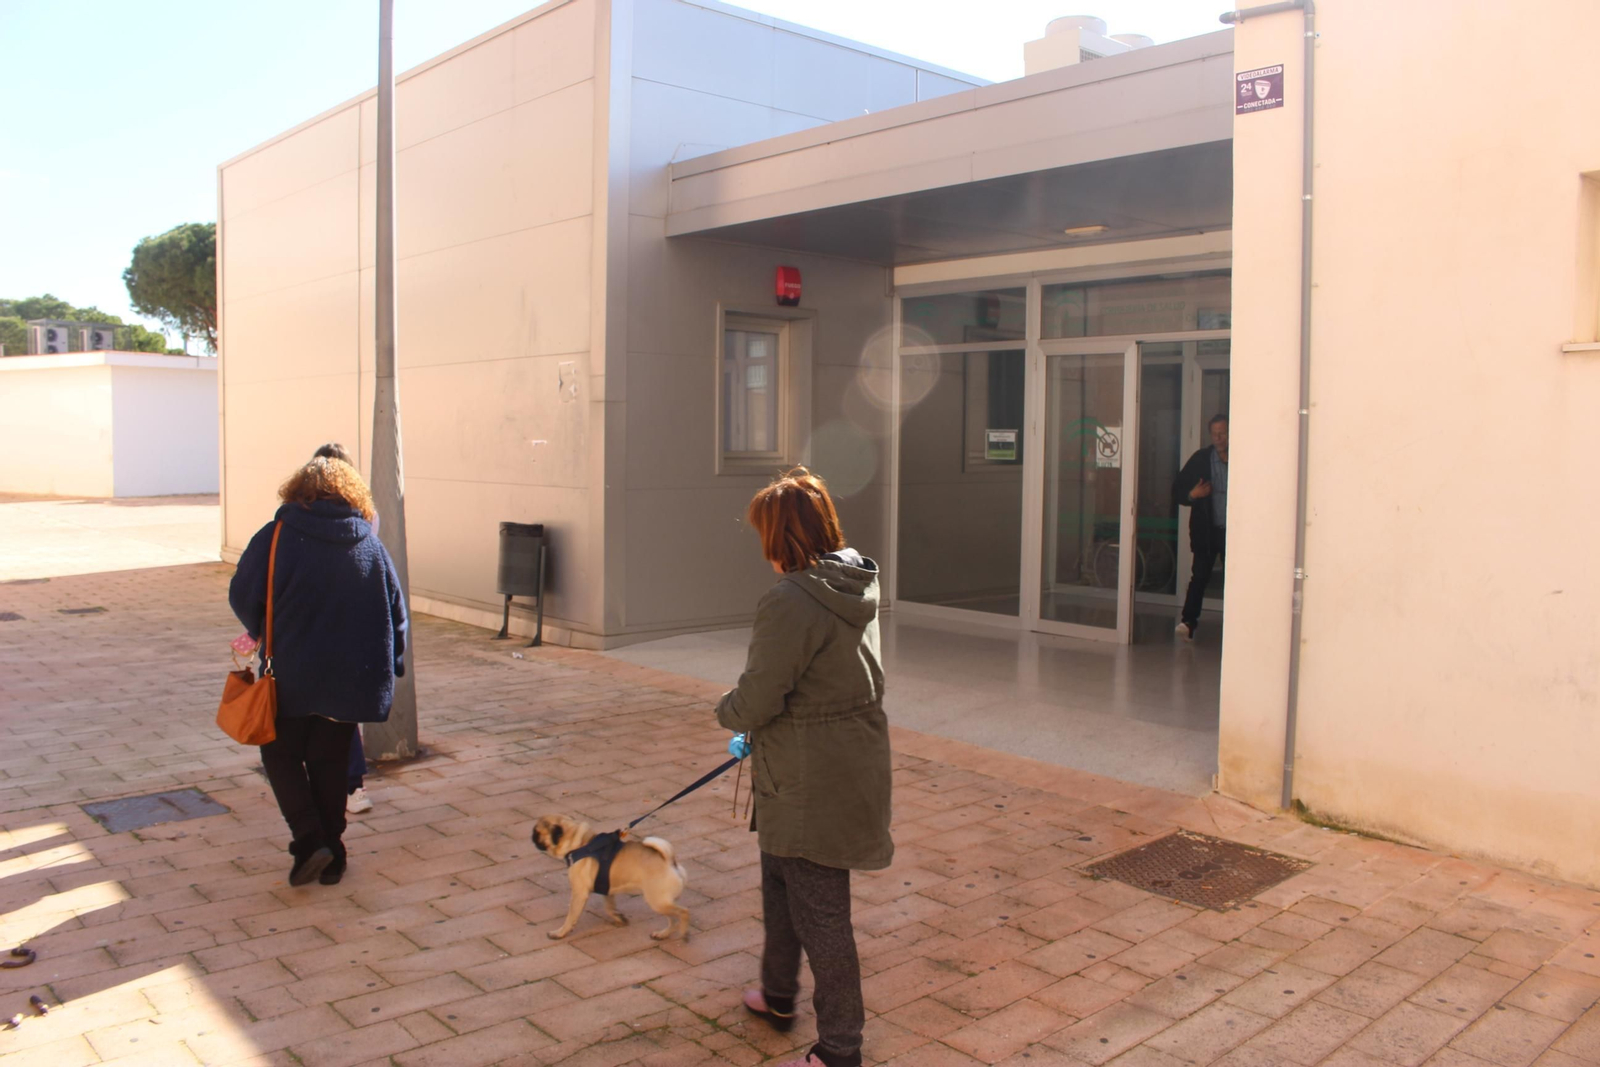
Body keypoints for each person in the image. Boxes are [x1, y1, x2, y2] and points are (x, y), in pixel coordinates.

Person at [716, 468, 892, 1067]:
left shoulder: (790, 599)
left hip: (806, 775)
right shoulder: (853, 580)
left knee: (821, 913)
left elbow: (760, 694)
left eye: (765, 532)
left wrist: (730, 714)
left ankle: (840, 1048)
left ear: (782, 537)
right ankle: (778, 994)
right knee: (780, 885)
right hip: (843, 758)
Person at [229, 455, 407, 886]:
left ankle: (310, 840)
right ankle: (335, 852)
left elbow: (242, 594)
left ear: (297, 492)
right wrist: (392, 663)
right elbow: (395, 611)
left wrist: (262, 628)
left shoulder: (275, 537)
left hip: (290, 671)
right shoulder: (369, 543)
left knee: (280, 753)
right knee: (329, 761)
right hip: (352, 677)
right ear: (352, 496)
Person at [310, 444, 375, 817]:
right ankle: (349, 787)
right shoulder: (366, 517)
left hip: (318, 633)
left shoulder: (293, 521)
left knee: (324, 717)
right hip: (349, 632)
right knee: (340, 715)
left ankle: (346, 786)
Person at [1173, 414, 1229, 641]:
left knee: (1235, 579)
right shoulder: (1201, 459)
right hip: (1207, 530)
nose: (1218, 438)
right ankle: (1188, 621)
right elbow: (1177, 490)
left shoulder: (1246, 457)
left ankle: (1240, 623)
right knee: (1200, 577)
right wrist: (1192, 495)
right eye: (1214, 433)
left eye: (1222, 432)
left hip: (1235, 533)